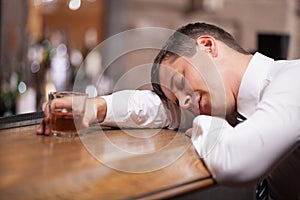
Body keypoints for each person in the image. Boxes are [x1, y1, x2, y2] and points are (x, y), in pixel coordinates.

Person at [37, 22, 300, 199]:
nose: (186, 105)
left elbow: (237, 162)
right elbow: (158, 108)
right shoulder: (229, 103)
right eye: (178, 99)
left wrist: (202, 123)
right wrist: (96, 107)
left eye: (180, 82)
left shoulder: (293, 79)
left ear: (207, 46)